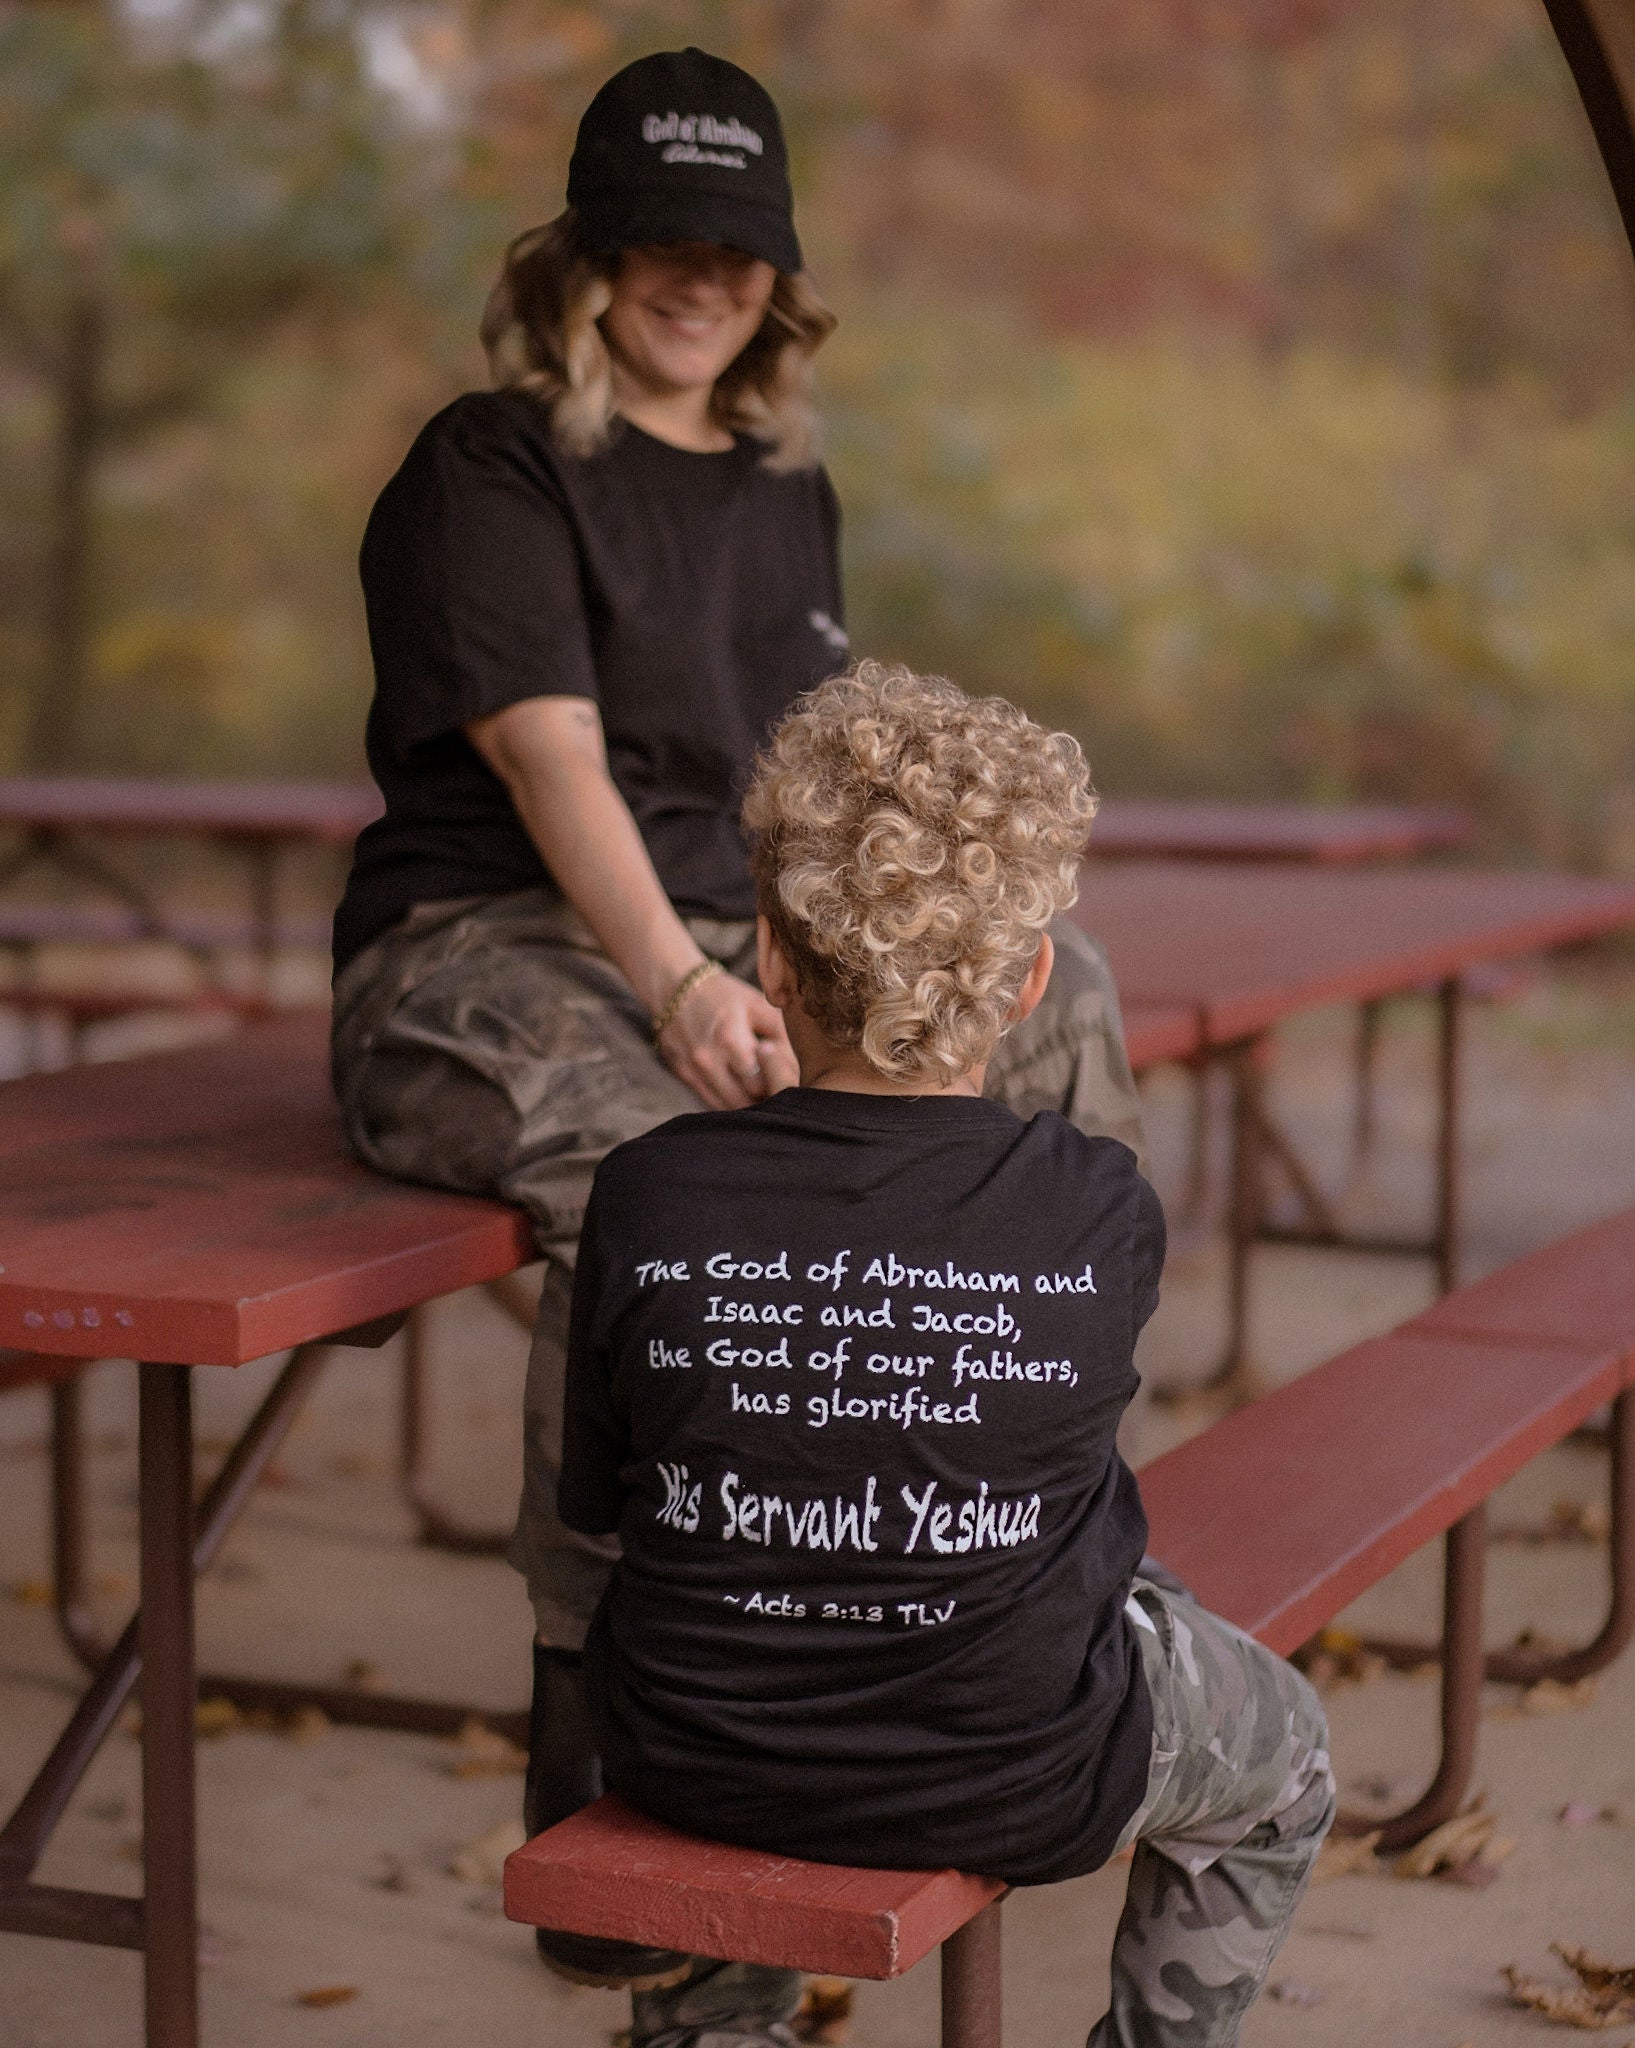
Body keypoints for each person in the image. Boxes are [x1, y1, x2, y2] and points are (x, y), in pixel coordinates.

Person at [328, 38, 1144, 2011]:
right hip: (488, 942)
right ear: (585, 255)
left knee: (1069, 1003)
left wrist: (856, 955)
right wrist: (692, 981)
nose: (698, 276)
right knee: (652, 1179)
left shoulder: (787, 490)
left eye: (735, 245)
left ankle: (1018, 1536)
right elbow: (547, 762)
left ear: (779, 277)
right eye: (660, 238)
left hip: (723, 925)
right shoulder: (492, 458)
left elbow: (807, 786)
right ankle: (597, 1728)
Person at [554, 663, 1337, 2048]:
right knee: (1286, 1765)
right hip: (1012, 1765)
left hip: (687, 1749)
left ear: (773, 960)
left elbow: (601, 1508)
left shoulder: (647, 1193)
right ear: (1033, 978)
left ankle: (720, 2025)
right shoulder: (1099, 1205)